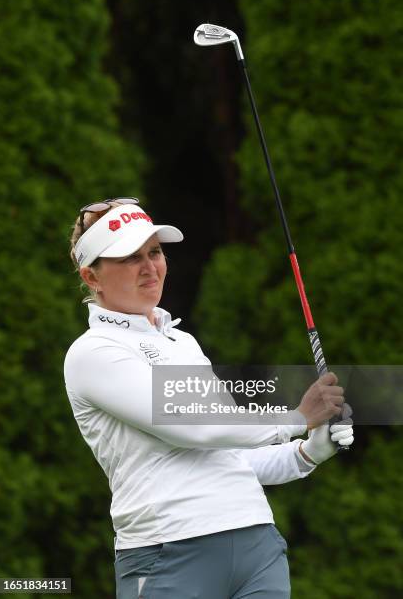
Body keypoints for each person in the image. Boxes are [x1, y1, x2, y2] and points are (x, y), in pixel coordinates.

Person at [64, 198, 353, 599]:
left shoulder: (182, 342)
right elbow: (192, 427)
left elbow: (228, 449)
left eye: (155, 252)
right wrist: (296, 418)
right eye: (130, 258)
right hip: (169, 550)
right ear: (91, 276)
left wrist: (307, 452)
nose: (150, 267)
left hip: (256, 542)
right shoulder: (92, 352)